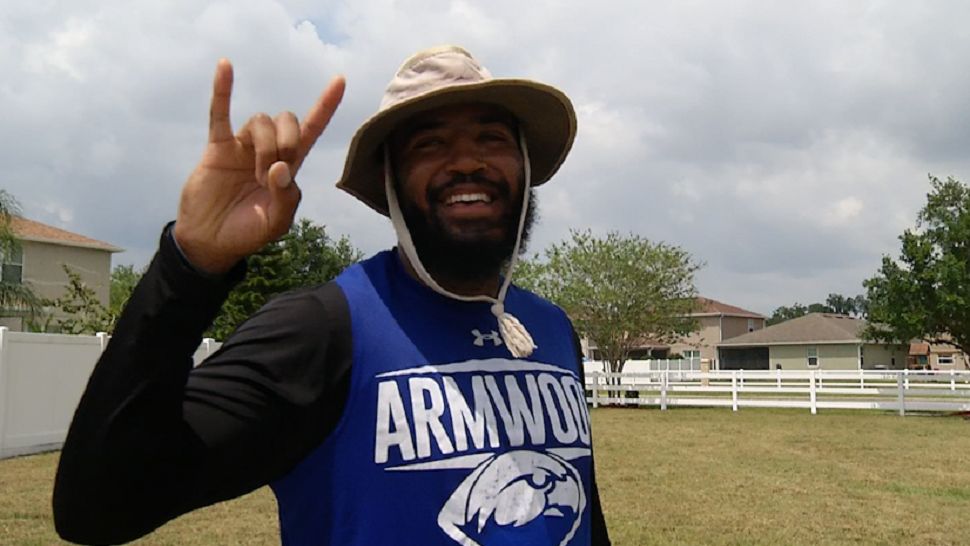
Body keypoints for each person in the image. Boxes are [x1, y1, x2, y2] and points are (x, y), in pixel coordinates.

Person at [53, 45, 611, 546]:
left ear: (524, 167)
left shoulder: (549, 328)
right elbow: (98, 508)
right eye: (430, 143)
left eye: (491, 138)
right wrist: (191, 263)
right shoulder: (325, 328)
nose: (467, 161)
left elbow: (578, 514)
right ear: (391, 185)